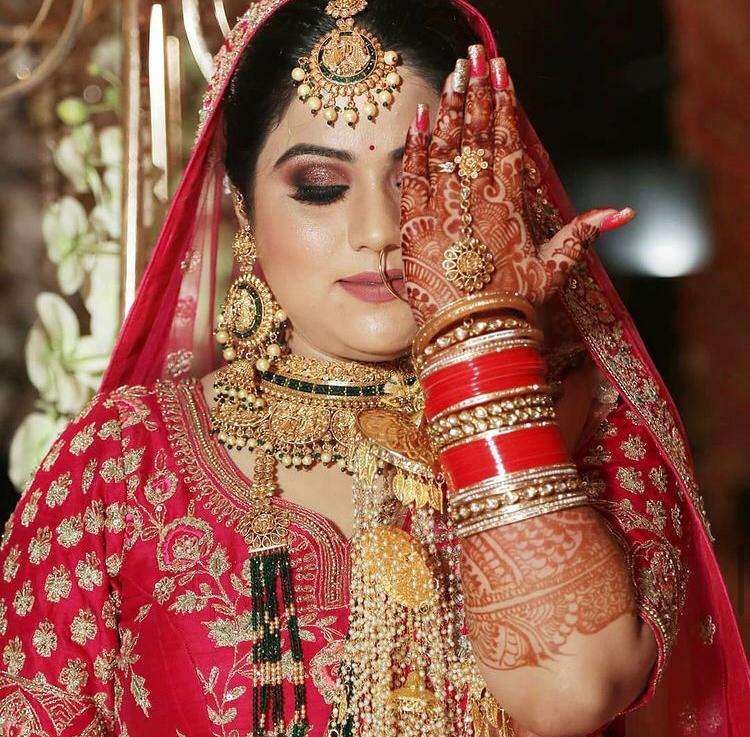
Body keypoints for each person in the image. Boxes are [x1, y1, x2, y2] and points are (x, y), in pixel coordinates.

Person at [0, 0, 747, 735]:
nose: (380, 231)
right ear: (243, 209)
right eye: (320, 188)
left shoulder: (595, 431)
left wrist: (478, 343)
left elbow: (571, 694)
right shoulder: (120, 463)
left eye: (422, 180)